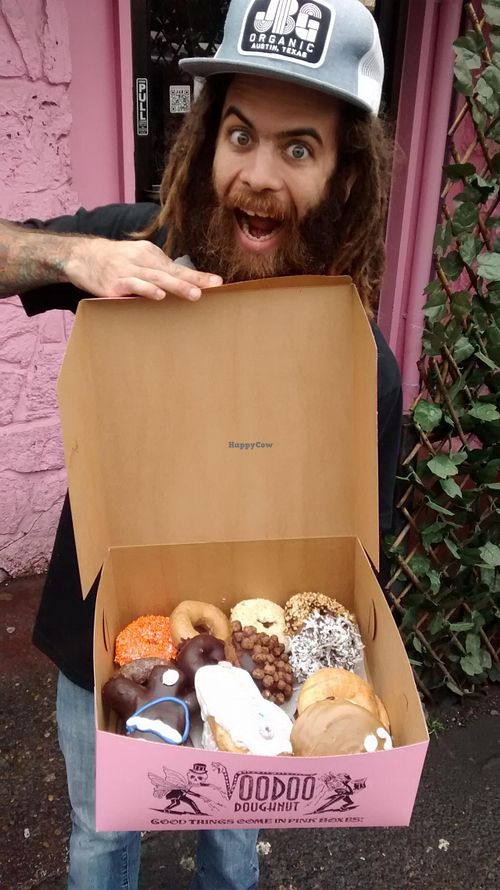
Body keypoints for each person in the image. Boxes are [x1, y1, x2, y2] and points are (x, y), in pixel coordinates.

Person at [0, 1, 402, 888]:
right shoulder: (135, 256)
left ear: (343, 178)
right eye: (239, 133)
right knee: (103, 839)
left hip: (256, 673)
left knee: (231, 847)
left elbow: (356, 571)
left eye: (299, 147)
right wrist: (73, 259)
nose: (257, 175)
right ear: (206, 139)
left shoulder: (359, 370)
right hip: (104, 639)